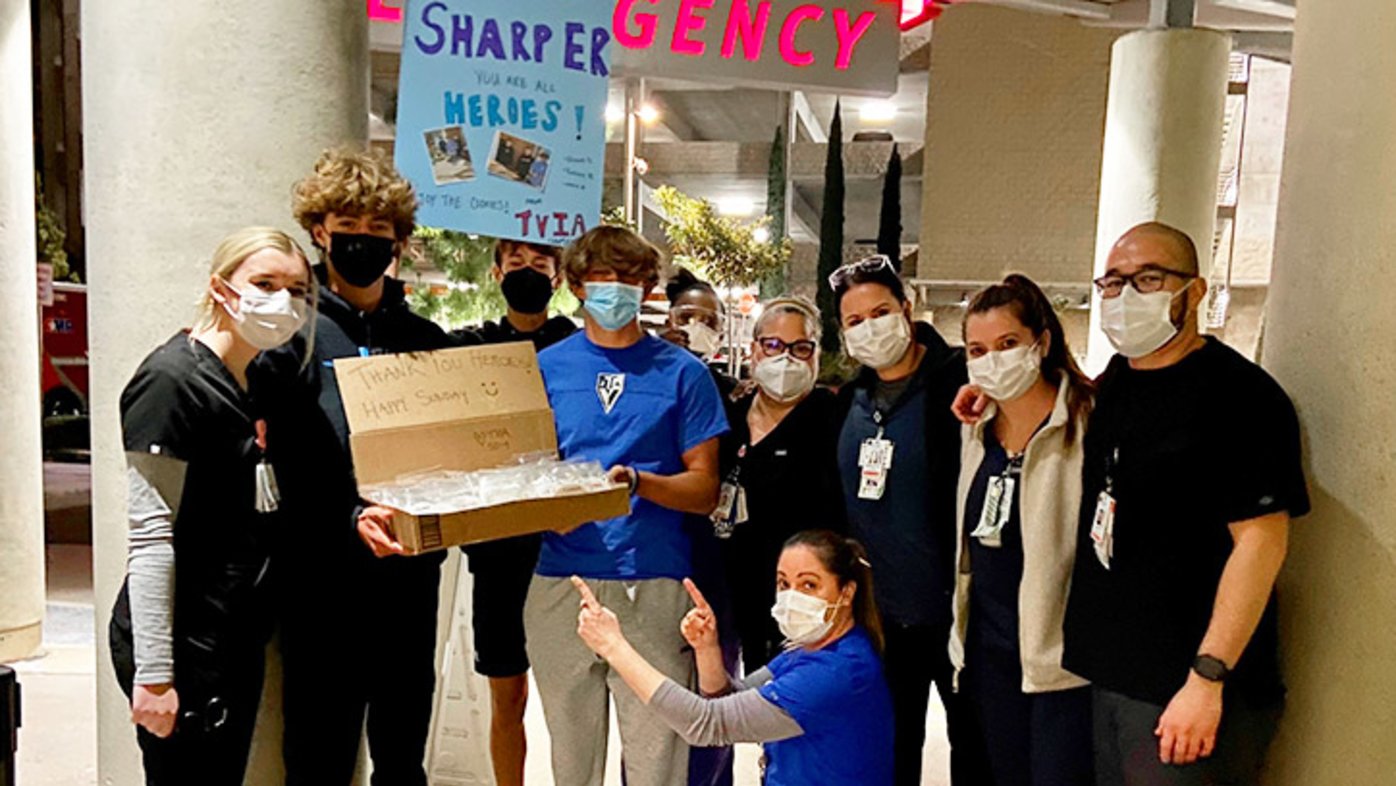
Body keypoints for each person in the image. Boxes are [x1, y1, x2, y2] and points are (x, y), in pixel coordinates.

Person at [1062, 222, 1308, 785]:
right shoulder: (1120, 380)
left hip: (1187, 689)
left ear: (1194, 291)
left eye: (1149, 279)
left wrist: (1208, 677)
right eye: (1113, 282)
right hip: (1115, 674)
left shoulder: (1242, 397)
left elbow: (1261, 543)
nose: (1126, 297)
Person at [249, 147, 455, 786]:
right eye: (348, 231)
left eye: (378, 233)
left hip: (410, 582)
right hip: (320, 584)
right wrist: (345, 519)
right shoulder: (287, 334)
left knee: (402, 754)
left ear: (398, 241)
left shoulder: (427, 340)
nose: (362, 243)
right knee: (317, 753)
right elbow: (271, 461)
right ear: (319, 232)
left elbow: (452, 454)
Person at [524, 225, 729, 786]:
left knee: (657, 758)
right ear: (576, 286)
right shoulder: (544, 370)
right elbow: (523, 475)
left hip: (654, 581)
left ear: (649, 288)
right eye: (602, 277)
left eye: (630, 278)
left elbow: (704, 489)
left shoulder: (684, 374)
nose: (616, 289)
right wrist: (549, 505)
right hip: (561, 582)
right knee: (571, 760)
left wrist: (639, 482)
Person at [109, 227, 313, 784]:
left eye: (296, 290)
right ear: (221, 289)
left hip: (229, 637)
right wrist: (154, 676)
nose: (282, 301)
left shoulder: (250, 380)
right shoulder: (170, 382)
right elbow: (151, 537)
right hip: (182, 646)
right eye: (264, 283)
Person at [830, 254, 991, 786]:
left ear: (906, 307)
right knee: (890, 750)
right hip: (882, 617)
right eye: (854, 321)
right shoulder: (850, 400)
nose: (869, 328)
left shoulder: (960, 385)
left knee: (976, 749)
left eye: (880, 311)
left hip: (959, 613)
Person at [572, 529, 894, 786]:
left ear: (846, 592)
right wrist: (707, 649)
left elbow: (705, 725)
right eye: (784, 583)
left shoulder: (837, 672)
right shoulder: (808, 649)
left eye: (809, 585)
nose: (792, 596)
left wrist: (614, 646)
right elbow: (730, 701)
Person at [950, 275, 1095, 786]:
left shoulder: (1085, 426)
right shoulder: (976, 428)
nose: (992, 360)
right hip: (988, 656)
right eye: (977, 349)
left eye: (1007, 344)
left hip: (1060, 663)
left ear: (1043, 342)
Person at [455, 238, 575, 786]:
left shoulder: (576, 350)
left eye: (540, 265)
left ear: (558, 278)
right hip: (498, 550)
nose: (527, 274)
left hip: (567, 548)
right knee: (507, 689)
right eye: (517, 265)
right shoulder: (470, 348)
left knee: (573, 692)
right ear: (497, 271)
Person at [716, 296, 846, 674]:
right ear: (754, 350)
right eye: (772, 345)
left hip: (803, 604)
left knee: (791, 719)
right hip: (731, 591)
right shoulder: (730, 417)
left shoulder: (833, 418)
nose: (786, 358)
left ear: (817, 354)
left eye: (800, 348)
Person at [660, 267, 729, 376]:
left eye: (709, 322)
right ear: (668, 325)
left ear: (720, 337)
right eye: (686, 318)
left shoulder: (725, 389)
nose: (697, 327)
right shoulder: (641, 372)